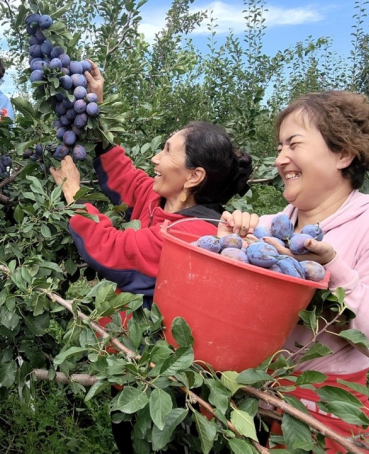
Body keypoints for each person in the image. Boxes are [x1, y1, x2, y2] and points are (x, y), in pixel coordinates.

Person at [49, 61, 253, 454]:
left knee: (149, 442)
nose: (156, 160)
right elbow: (125, 176)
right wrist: (98, 113)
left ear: (193, 177)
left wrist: (74, 196)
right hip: (128, 361)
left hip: (158, 375)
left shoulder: (194, 234)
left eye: (166, 151)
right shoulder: (164, 202)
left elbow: (115, 251)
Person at [219, 91, 369, 452]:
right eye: (280, 146)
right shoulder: (268, 227)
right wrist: (229, 250)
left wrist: (329, 270)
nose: (280, 158)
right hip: (245, 402)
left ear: (343, 153)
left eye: (293, 144)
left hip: (321, 415)